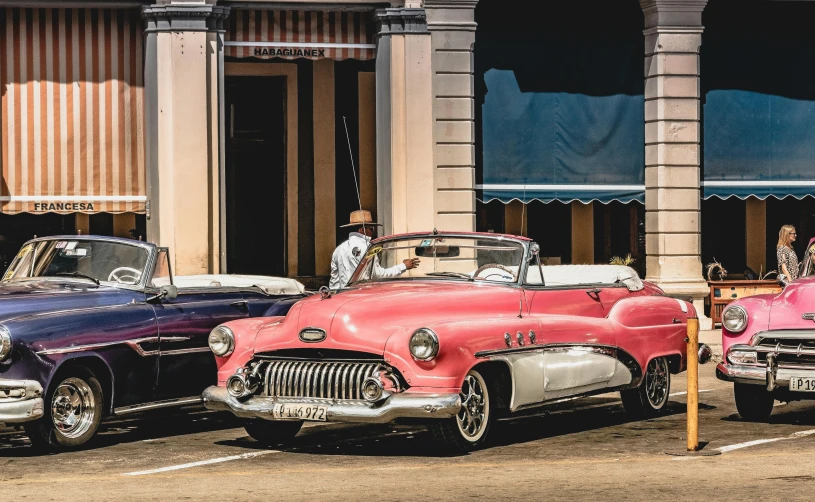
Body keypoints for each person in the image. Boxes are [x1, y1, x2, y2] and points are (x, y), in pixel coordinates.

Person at [329, 210, 419, 289]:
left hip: (342, 298)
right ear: (362, 229)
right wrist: (403, 266)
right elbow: (378, 274)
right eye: (371, 228)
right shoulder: (367, 247)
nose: (373, 231)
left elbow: (334, 283)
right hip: (361, 296)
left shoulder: (338, 249)